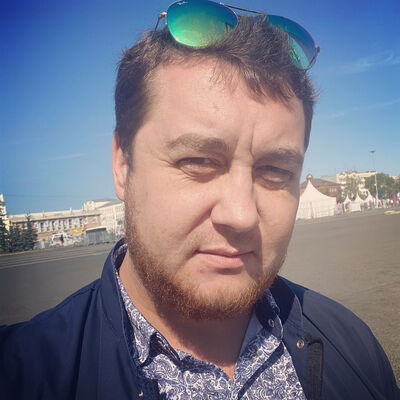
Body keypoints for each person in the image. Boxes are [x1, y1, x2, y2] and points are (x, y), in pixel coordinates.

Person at [1, 2, 399, 399]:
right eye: (197, 162)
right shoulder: (23, 373)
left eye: (275, 170)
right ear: (122, 163)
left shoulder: (353, 347)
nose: (241, 215)